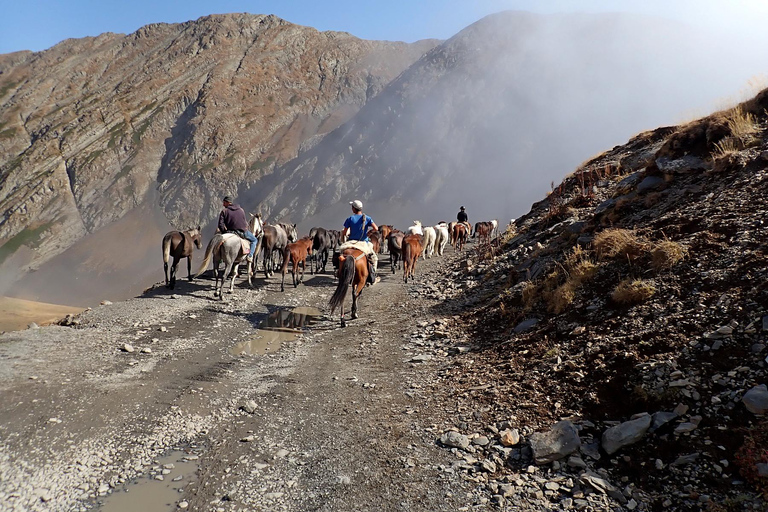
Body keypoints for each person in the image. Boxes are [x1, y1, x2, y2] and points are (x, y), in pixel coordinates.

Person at [339, 199, 380, 285]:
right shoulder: (367, 218)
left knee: (341, 254)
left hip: (351, 242)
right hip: (363, 243)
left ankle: (339, 272)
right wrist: (369, 233)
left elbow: (344, 232)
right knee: (374, 259)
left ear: (354, 209)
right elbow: (376, 228)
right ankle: (372, 277)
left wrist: (346, 236)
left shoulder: (350, 219)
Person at [218, 195, 259, 262]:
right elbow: (244, 222)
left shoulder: (224, 211)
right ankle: (250, 256)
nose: (223, 204)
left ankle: (219, 257)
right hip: (243, 232)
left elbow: (220, 225)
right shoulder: (241, 210)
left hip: (230, 232)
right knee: (254, 240)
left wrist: (224, 232)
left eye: (224, 203)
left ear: (228, 202)